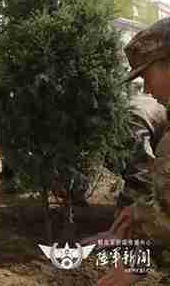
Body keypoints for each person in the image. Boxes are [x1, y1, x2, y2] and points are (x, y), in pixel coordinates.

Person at [88, 17, 170, 286]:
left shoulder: (131, 124)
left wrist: (136, 261)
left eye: (147, 75)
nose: (146, 88)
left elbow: (145, 179)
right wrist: (137, 212)